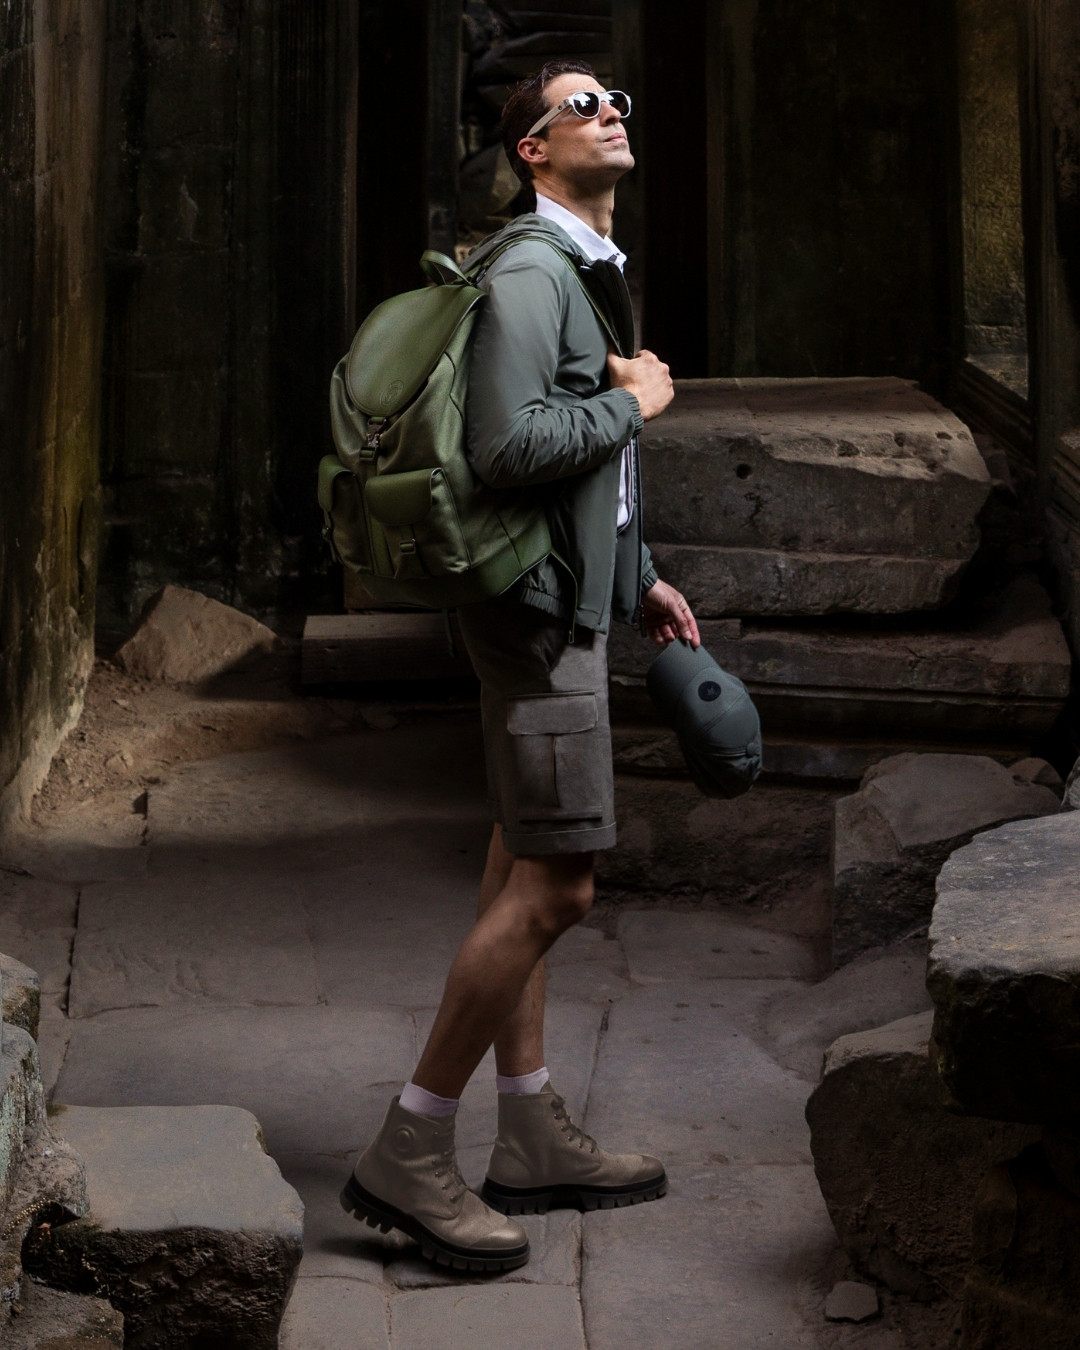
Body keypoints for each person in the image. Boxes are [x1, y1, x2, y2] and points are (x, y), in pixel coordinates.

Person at [341, 58, 700, 1272]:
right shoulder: (536, 270)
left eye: (618, 101)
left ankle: (531, 1129)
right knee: (559, 888)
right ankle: (410, 1146)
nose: (612, 113)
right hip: (536, 614)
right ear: (532, 151)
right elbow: (507, 447)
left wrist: (636, 574)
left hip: (566, 593)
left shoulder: (583, 265)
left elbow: (588, 474)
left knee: (516, 861)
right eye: (582, 106)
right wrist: (636, 403)